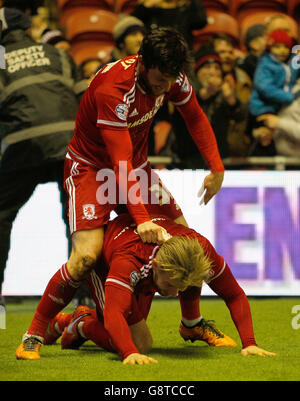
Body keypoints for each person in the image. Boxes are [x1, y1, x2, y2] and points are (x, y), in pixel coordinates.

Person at [14, 27, 225, 355]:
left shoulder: (172, 77)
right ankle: (37, 332)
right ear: (143, 63)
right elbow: (119, 162)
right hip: (91, 169)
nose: (165, 88)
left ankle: (192, 323)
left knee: (185, 242)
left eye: (171, 81)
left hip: (135, 167)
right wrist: (141, 219)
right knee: (85, 258)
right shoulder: (114, 88)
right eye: (160, 82)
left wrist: (216, 167)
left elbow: (195, 117)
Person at [16, 213, 276, 362]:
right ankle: (77, 322)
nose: (176, 294)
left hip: (148, 264)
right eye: (173, 286)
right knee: (139, 343)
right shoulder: (129, 260)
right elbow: (117, 312)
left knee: (141, 331)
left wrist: (249, 343)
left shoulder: (200, 249)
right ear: (158, 268)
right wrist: (129, 353)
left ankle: (192, 323)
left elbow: (234, 294)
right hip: (107, 263)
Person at [0, 8, 88, 303]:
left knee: (1, 215)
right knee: (78, 221)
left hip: (22, 146)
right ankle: (85, 302)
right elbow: (83, 98)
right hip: (68, 145)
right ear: (27, 29)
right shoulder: (57, 54)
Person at [172, 45, 249, 168]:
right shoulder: (184, 88)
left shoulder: (226, 93)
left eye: (217, 68)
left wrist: (232, 100)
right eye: (207, 67)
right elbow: (181, 113)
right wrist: (205, 94)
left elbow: (241, 116)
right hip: (187, 163)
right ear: (197, 71)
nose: (213, 72)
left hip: (218, 162)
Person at [249, 29, 300, 119]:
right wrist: (289, 97)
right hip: (262, 109)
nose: (282, 50)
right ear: (270, 48)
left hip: (280, 107)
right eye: (277, 47)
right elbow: (265, 89)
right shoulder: (265, 65)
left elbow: (296, 65)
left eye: (286, 47)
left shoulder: (289, 62)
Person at [252, 78, 300, 159]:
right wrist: (270, 133)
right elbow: (288, 117)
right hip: (279, 159)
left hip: (296, 163)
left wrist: (279, 123)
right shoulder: (292, 85)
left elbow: (282, 123)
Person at [131, 0, 207, 51]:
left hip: (180, 55)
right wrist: (146, 5)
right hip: (154, 53)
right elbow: (131, 23)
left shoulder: (185, 8)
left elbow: (201, 21)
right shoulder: (150, 9)